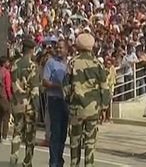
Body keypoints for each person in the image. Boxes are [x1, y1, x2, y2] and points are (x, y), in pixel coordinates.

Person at [63, 33, 110, 167]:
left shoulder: (72, 62)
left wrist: (69, 100)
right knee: (90, 143)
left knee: (75, 142)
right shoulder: (98, 64)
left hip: (76, 108)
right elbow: (105, 89)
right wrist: (103, 107)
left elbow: (65, 86)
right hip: (93, 110)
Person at [10, 38, 40, 167]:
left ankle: (13, 156)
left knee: (17, 132)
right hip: (29, 106)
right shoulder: (33, 66)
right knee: (29, 135)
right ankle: (27, 161)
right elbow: (35, 90)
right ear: (32, 50)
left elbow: (12, 84)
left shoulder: (15, 64)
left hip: (17, 103)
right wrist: (37, 107)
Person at [43, 39, 69, 167]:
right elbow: (45, 81)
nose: (59, 50)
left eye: (61, 48)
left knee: (63, 134)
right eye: (57, 48)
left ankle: (59, 159)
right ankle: (53, 162)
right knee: (56, 132)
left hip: (66, 101)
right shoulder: (50, 63)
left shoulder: (70, 63)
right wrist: (59, 86)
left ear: (67, 49)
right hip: (54, 100)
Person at [0, 56, 12, 142]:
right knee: (6, 116)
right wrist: (10, 96)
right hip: (4, 96)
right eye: (8, 62)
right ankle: (4, 136)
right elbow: (8, 86)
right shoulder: (6, 73)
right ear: (4, 63)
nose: (9, 64)